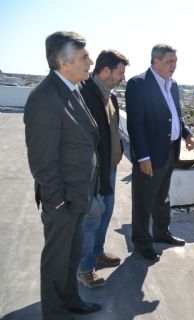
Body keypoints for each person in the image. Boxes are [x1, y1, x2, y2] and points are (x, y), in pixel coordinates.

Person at [24, 31, 101, 319]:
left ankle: (71, 300)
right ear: (62, 62)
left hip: (77, 194)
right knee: (57, 259)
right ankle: (55, 313)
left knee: (71, 255)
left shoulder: (72, 88)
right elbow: (42, 160)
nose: (90, 62)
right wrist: (56, 201)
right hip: (62, 199)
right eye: (84, 57)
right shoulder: (44, 97)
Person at [125, 44, 194, 262]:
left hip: (170, 151)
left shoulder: (172, 86)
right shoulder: (138, 84)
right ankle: (141, 243)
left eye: (175, 61)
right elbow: (135, 125)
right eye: (169, 61)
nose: (174, 66)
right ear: (155, 61)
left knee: (162, 198)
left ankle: (161, 233)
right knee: (143, 202)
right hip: (150, 154)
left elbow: (176, 117)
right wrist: (142, 157)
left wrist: (187, 134)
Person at [76, 50, 129, 288]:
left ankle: (97, 252)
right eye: (120, 73)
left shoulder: (111, 97)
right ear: (106, 71)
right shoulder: (85, 94)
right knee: (91, 218)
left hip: (109, 167)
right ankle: (84, 269)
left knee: (105, 213)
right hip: (93, 171)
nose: (122, 78)